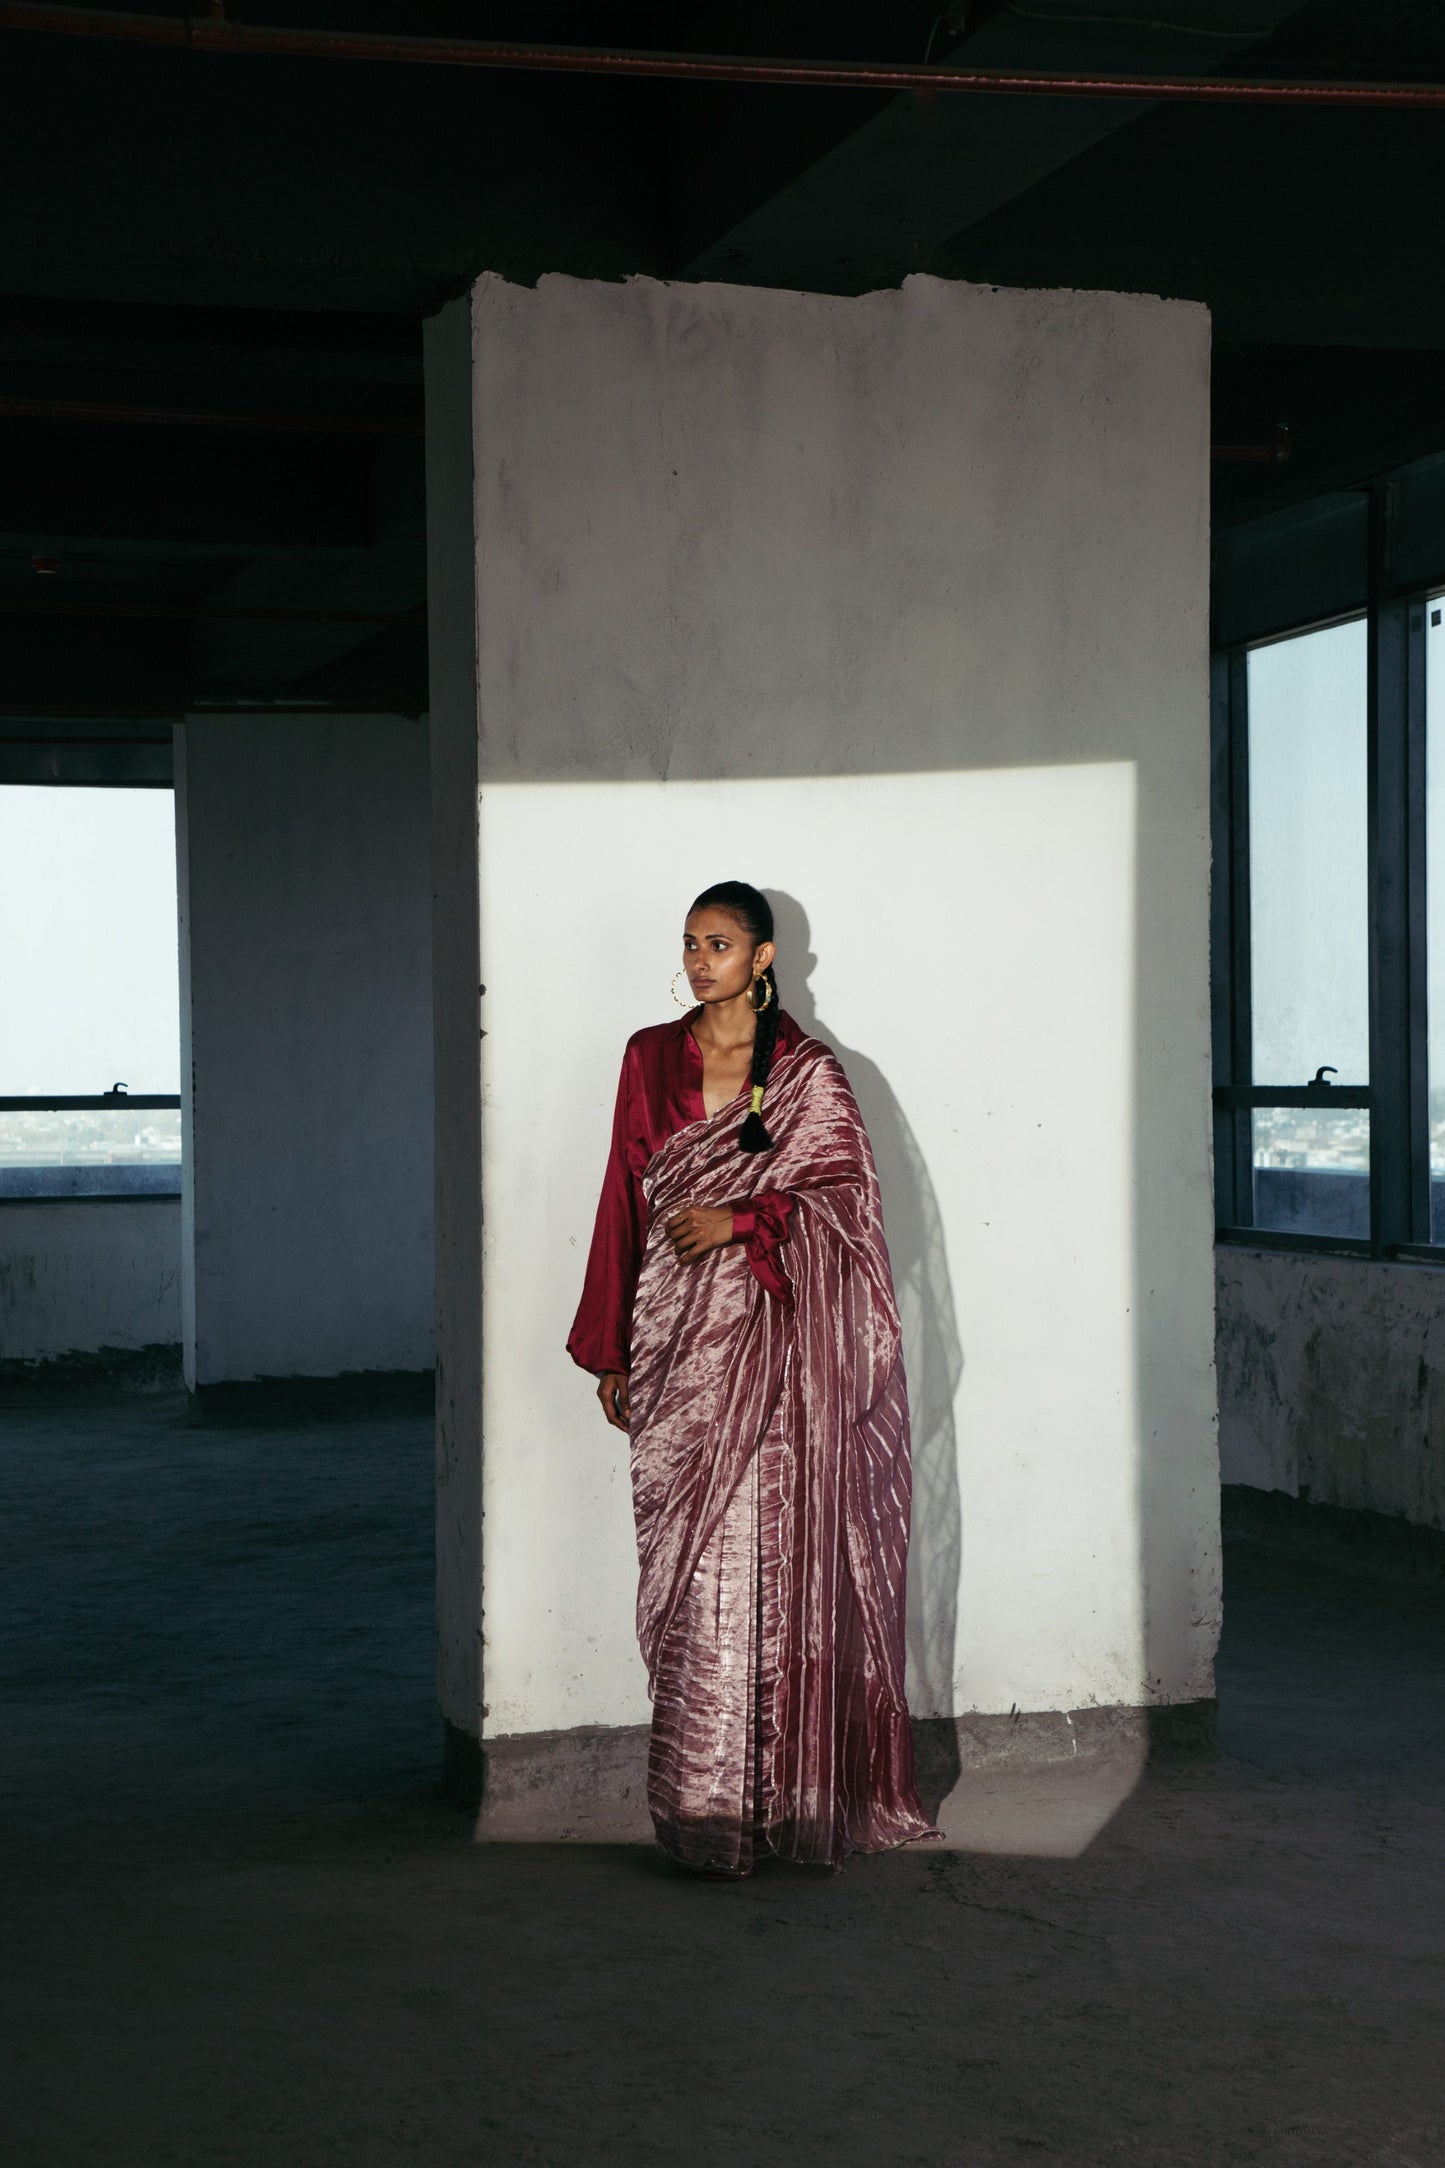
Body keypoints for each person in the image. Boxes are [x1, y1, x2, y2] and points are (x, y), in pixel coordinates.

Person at [567, 880, 936, 1877]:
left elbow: (848, 1206)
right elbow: (620, 1195)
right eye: (687, 943)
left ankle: (772, 1805)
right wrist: (610, 1345)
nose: (697, 960)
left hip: (771, 1344)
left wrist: (741, 1219)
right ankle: (699, 1805)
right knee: (690, 1577)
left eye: (718, 943)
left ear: (764, 956)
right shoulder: (649, 1056)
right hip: (673, 1333)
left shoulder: (807, 1074)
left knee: (764, 1563)